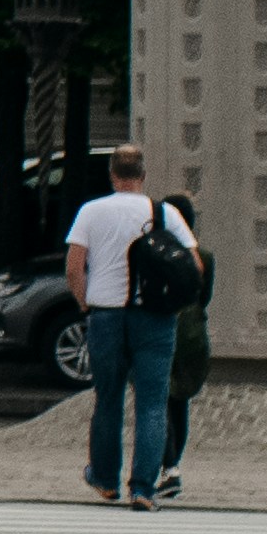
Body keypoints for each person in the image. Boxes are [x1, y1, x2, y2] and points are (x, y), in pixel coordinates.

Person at [58, 143, 199, 505]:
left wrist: (84, 301)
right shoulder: (165, 213)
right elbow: (194, 266)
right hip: (153, 316)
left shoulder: (91, 211)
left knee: (108, 400)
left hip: (105, 315)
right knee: (152, 403)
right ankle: (143, 488)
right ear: (143, 175)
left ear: (112, 174)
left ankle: (106, 479)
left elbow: (74, 267)